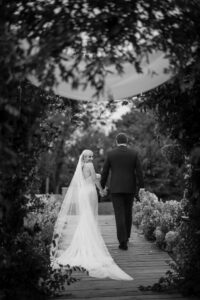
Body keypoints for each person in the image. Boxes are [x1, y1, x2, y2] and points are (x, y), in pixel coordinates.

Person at [50, 149, 132, 280]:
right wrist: (101, 190)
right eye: (89, 156)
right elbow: (94, 179)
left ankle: (83, 245)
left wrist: (97, 179)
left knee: (86, 218)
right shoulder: (89, 165)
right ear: (84, 157)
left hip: (83, 192)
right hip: (90, 192)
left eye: (92, 156)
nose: (91, 158)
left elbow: (87, 178)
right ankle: (90, 246)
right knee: (91, 218)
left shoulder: (81, 166)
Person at [101, 133, 144, 250]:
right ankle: (127, 236)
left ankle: (122, 241)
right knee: (128, 212)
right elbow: (139, 172)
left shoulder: (111, 154)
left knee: (119, 214)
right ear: (127, 141)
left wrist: (102, 186)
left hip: (116, 188)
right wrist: (142, 187)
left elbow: (104, 172)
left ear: (116, 141)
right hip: (130, 188)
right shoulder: (134, 153)